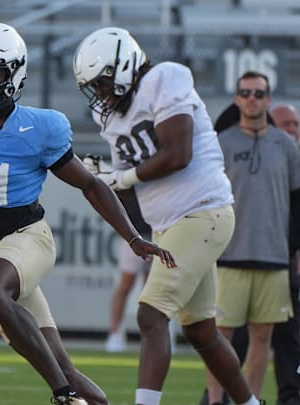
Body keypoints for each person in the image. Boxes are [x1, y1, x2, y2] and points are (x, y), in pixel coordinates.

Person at [0, 22, 175, 405]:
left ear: (15, 74)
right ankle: (77, 392)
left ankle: (62, 396)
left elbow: (91, 185)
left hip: (26, 236)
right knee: (63, 365)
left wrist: (132, 237)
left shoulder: (40, 127)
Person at [72, 27, 262, 405]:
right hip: (170, 225)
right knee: (201, 331)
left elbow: (178, 153)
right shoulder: (110, 116)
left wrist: (121, 176)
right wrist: (106, 177)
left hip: (202, 212)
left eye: (105, 81)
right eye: (96, 86)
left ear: (125, 65)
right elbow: (129, 184)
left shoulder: (164, 78)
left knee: (149, 315)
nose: (103, 93)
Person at [204, 71, 300, 404]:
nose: (252, 99)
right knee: (220, 336)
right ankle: (215, 401)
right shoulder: (222, 142)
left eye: (259, 93)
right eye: (245, 92)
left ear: (268, 99)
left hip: (274, 258)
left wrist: (292, 249)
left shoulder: (286, 145)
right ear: (237, 98)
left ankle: (252, 400)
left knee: (263, 337)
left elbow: (296, 201)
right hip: (229, 255)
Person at [104, 196, 151, 353]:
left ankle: (154, 334)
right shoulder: (130, 176)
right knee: (126, 284)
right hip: (134, 236)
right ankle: (115, 333)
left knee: (153, 289)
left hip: (160, 233)